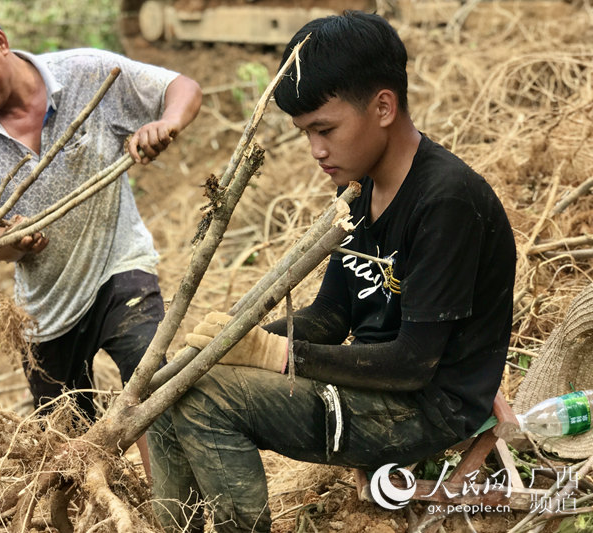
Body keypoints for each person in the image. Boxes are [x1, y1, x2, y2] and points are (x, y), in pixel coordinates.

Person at [148, 11, 516, 532]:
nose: (316, 150)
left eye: (325, 129)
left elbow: (414, 364)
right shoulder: (360, 191)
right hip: (374, 388)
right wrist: (233, 344)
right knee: (176, 384)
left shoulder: (446, 201)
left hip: (422, 408)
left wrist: (275, 354)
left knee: (208, 401)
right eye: (305, 133)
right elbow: (329, 315)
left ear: (383, 106)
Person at [0, 2, 201, 473]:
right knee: (72, 449)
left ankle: (172, 513)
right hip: (43, 312)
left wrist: (166, 124)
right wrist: (14, 244)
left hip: (118, 269)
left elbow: (182, 88)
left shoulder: (87, 74)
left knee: (151, 394)